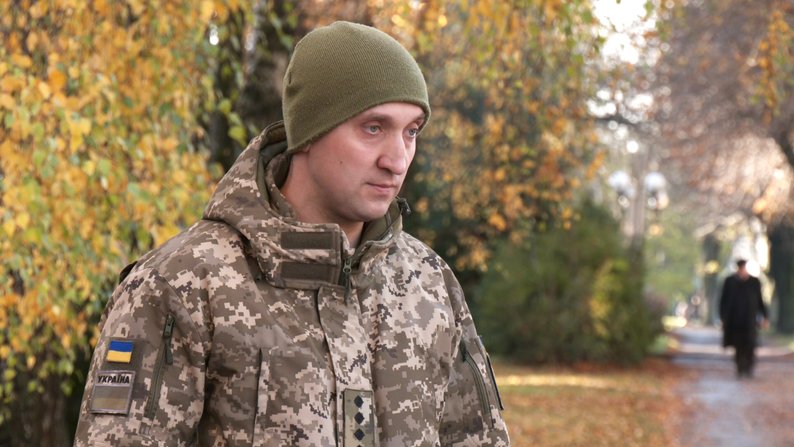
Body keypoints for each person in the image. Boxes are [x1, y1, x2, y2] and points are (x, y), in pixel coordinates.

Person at [74, 21, 510, 446]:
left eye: (411, 131)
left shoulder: (430, 283)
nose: (397, 160)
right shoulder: (182, 284)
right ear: (309, 133)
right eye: (373, 128)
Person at [719, 259, 768, 379]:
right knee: (738, 345)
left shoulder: (754, 282)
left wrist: (765, 316)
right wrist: (723, 318)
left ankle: (748, 368)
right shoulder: (730, 281)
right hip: (735, 321)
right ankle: (740, 368)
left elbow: (760, 300)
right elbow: (723, 301)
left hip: (750, 320)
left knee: (750, 344)